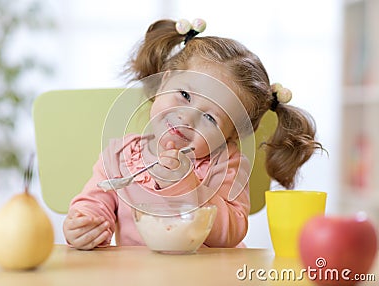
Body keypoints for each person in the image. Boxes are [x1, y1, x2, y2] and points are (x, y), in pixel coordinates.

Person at [63, 18, 323, 250]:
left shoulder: (225, 162)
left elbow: (232, 232)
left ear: (229, 136)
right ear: (164, 82)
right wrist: (85, 224)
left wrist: (187, 185)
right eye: (184, 95)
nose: (187, 118)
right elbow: (94, 202)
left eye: (210, 118)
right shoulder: (121, 156)